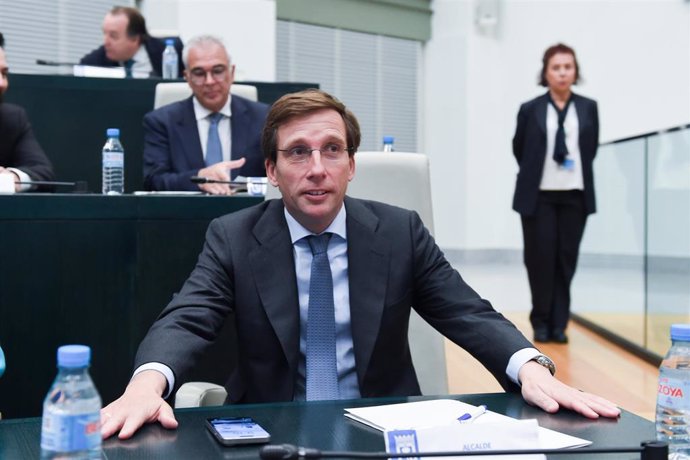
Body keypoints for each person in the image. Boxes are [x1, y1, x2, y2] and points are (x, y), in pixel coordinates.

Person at [101, 88, 619, 440]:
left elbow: (469, 313)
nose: (318, 170)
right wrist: (145, 386)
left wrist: (531, 368)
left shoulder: (398, 232)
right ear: (272, 172)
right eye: (298, 153)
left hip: (386, 431)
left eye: (332, 150)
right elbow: (188, 316)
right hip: (271, 429)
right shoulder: (235, 236)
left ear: (352, 165)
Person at [512, 44, 599, 344]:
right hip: (539, 197)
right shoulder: (530, 108)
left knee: (565, 260)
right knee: (539, 260)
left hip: (574, 195)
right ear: (546, 72)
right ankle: (541, 321)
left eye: (568, 67)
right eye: (556, 67)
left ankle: (559, 324)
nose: (562, 73)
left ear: (575, 71)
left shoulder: (588, 107)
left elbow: (591, 148)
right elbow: (519, 148)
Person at [142, 35, 268, 195]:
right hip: (187, 216)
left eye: (217, 71)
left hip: (249, 216)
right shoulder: (161, 121)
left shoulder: (263, 118)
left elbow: (278, 175)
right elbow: (153, 180)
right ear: (187, 77)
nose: (209, 81)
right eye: (199, 73)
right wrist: (200, 178)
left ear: (232, 73)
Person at [0, 35, 55, 192]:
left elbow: (43, 172)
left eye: (4, 73)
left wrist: (13, 178)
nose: (2, 83)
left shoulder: (11, 119)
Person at [79, 6, 184, 78]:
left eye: (113, 36)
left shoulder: (171, 52)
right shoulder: (93, 63)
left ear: (135, 39)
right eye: (104, 33)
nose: (106, 42)